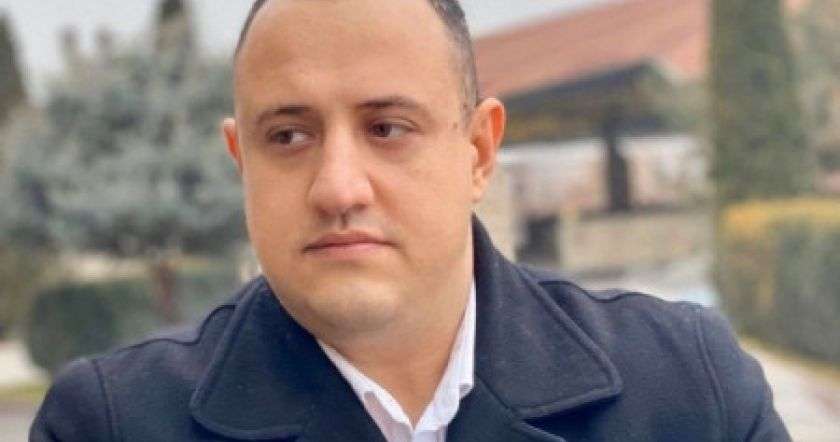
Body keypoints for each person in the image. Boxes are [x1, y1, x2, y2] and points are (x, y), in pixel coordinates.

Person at [31, 0, 790, 441]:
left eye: (387, 128)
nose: (338, 187)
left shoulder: (688, 390)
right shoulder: (112, 424)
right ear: (242, 161)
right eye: (288, 136)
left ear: (478, 151)